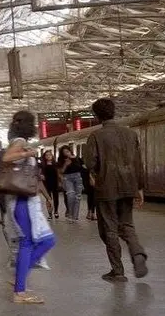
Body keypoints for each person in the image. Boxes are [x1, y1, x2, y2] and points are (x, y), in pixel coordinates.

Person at [83, 98, 148, 282]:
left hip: (106, 188)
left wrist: (94, 173)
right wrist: (140, 188)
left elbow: (90, 162)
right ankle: (137, 253)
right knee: (127, 224)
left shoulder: (96, 136)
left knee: (109, 229)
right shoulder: (130, 134)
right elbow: (138, 163)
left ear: (96, 116)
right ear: (114, 111)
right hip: (129, 185)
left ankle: (117, 271)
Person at [2, 111, 56, 304]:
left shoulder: (18, 140)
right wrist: (29, 153)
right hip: (22, 202)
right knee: (37, 242)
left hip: (24, 201)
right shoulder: (20, 142)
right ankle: (19, 291)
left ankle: (19, 280)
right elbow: (7, 158)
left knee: (39, 241)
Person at [59, 145, 86, 223]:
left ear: (70, 151)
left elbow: (83, 168)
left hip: (78, 177)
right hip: (68, 178)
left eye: (67, 151)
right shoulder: (61, 160)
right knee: (70, 195)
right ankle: (70, 214)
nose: (66, 153)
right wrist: (66, 164)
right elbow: (61, 171)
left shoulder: (77, 158)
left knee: (77, 198)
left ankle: (75, 217)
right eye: (64, 152)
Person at [40, 150, 61, 219]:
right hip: (46, 183)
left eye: (50, 155)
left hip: (55, 182)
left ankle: (56, 211)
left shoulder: (56, 164)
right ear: (44, 157)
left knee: (56, 198)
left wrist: (60, 181)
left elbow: (58, 173)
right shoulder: (43, 165)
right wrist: (41, 175)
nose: (48, 156)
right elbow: (40, 172)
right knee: (48, 198)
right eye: (46, 155)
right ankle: (50, 213)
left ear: (52, 156)